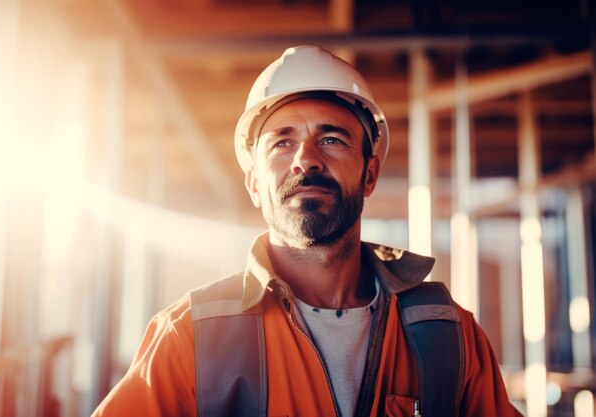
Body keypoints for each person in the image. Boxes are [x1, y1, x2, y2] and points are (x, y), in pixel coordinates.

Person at [92, 45, 522, 417]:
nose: (306, 160)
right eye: (282, 142)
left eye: (332, 139)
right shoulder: (191, 335)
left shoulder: (447, 333)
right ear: (256, 184)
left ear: (370, 174)